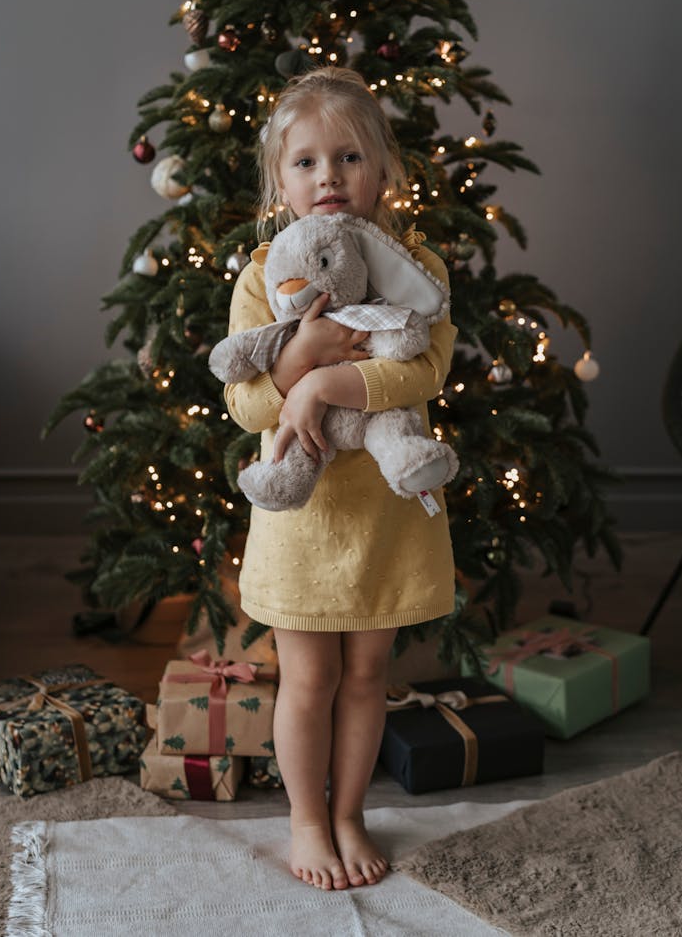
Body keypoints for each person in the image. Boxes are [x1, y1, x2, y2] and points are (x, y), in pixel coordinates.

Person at [223, 66, 457, 891]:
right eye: (307, 162)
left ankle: (350, 809)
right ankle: (306, 819)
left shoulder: (416, 268)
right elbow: (248, 402)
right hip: (306, 518)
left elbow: (420, 371)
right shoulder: (264, 276)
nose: (330, 176)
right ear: (279, 182)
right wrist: (295, 364)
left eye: (350, 157)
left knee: (366, 676)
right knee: (310, 676)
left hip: (387, 516)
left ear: (383, 170)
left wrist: (323, 384)